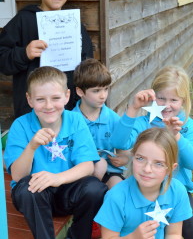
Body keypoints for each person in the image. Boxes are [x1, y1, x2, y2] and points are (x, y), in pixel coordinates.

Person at [3, 66, 108, 239]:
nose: (49, 106)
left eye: (55, 98)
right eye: (40, 99)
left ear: (67, 96)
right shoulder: (21, 125)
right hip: (34, 196)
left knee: (95, 188)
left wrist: (57, 178)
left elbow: (87, 166)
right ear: (29, 100)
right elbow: (17, 175)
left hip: (65, 192)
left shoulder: (75, 121)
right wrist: (31, 147)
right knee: (27, 190)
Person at [0, 0, 93, 118]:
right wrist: (24, 53)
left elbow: (87, 63)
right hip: (33, 111)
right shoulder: (23, 20)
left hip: (69, 108)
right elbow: (2, 60)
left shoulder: (74, 23)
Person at [112, 65, 193, 239]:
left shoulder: (187, 126)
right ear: (153, 96)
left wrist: (176, 136)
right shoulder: (143, 123)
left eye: (174, 100)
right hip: (141, 191)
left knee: (188, 230)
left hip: (177, 194)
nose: (167, 105)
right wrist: (132, 109)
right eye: (161, 98)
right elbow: (118, 142)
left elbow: (191, 162)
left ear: (184, 102)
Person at [94, 127, 192, 239]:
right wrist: (133, 237)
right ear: (133, 157)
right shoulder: (116, 196)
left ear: (170, 168)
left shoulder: (177, 191)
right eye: (140, 158)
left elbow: (173, 234)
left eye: (159, 163)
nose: (147, 169)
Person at [73, 58, 130, 189]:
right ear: (80, 91)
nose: (103, 95)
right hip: (81, 173)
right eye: (96, 91)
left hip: (110, 172)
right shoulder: (71, 120)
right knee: (98, 169)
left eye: (105, 89)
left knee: (119, 189)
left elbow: (123, 150)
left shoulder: (113, 118)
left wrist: (123, 159)